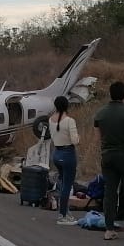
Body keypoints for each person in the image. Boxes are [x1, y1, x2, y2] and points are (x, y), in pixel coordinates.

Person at [92, 81, 124, 241]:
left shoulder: (100, 113)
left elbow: (97, 139)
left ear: (110, 94)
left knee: (110, 192)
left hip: (108, 156)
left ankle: (109, 229)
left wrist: (102, 154)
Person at [48, 95, 81, 226]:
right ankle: (63, 215)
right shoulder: (69, 120)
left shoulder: (51, 119)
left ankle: (65, 211)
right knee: (68, 184)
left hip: (56, 153)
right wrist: (79, 138)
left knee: (62, 183)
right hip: (68, 154)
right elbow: (74, 140)